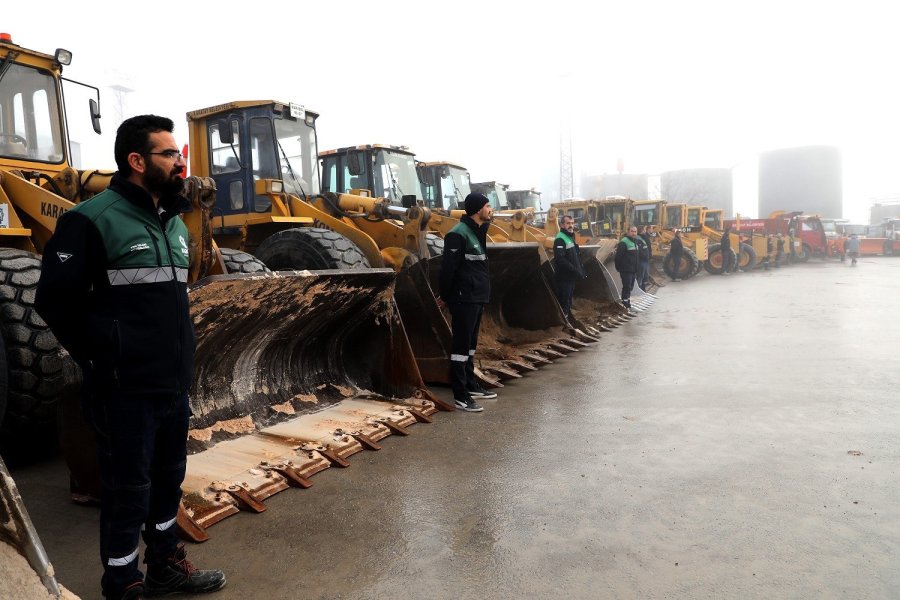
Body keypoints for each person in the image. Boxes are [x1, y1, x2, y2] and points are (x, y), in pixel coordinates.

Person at [35, 115, 226, 600]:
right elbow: (55, 300)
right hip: (124, 387)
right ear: (137, 161)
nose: (181, 163)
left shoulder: (177, 223)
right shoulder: (91, 220)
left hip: (171, 383)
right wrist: (104, 356)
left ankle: (164, 566)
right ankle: (123, 582)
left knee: (168, 483)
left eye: (180, 154)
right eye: (170, 155)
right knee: (127, 490)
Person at [438, 192, 497, 412]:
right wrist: (445, 296)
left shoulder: (477, 231)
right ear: (477, 209)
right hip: (464, 298)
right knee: (460, 347)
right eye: (488, 206)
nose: (490, 210)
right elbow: (447, 270)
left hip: (477, 297)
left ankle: (471, 385)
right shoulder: (457, 235)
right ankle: (461, 395)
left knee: (471, 345)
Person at [553, 214, 586, 318]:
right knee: (564, 300)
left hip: (571, 276)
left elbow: (575, 255)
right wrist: (574, 269)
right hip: (564, 277)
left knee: (568, 300)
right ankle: (564, 322)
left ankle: (567, 319)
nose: (571, 225)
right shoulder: (560, 239)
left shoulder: (570, 237)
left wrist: (580, 270)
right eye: (568, 223)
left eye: (572, 223)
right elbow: (560, 259)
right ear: (562, 225)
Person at [614, 225, 640, 309]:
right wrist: (619, 268)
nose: (634, 233)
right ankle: (625, 303)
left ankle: (627, 301)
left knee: (630, 287)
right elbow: (618, 257)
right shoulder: (624, 242)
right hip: (626, 270)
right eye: (632, 231)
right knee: (627, 286)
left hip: (633, 270)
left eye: (635, 231)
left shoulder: (634, 242)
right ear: (628, 232)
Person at [638, 225, 653, 290]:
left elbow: (647, 248)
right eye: (644, 229)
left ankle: (643, 290)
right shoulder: (639, 238)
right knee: (641, 276)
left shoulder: (644, 237)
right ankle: (640, 290)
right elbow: (640, 250)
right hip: (642, 260)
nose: (645, 230)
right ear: (642, 230)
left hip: (645, 259)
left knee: (645, 276)